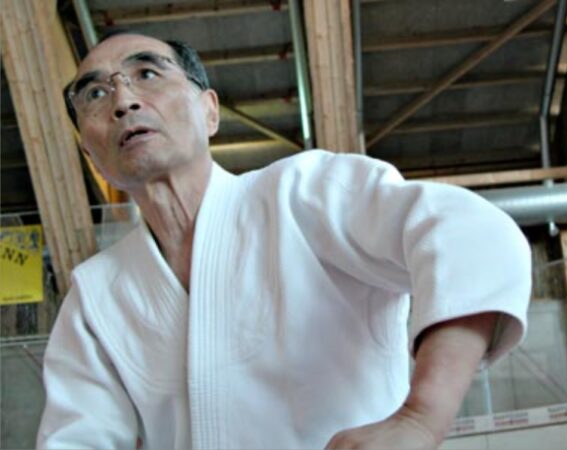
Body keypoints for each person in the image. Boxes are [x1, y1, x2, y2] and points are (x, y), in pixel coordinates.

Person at [36, 32, 531, 450]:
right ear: (91, 156)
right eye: (94, 94)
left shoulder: (304, 194)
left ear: (209, 112)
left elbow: (473, 235)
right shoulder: (95, 295)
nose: (123, 102)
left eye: (147, 73)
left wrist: (421, 419)